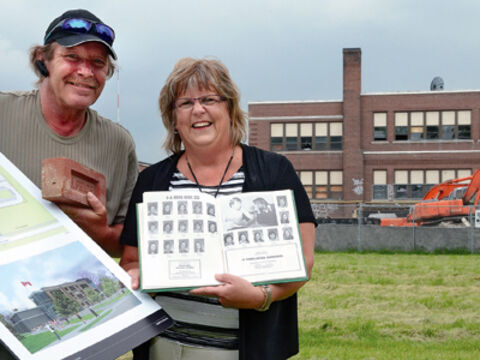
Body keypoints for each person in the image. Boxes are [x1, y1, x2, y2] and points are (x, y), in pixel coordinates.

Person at [120, 58, 315, 360]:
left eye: (209, 99)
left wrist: (260, 298)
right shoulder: (151, 181)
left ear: (230, 108)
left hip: (246, 351)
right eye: (185, 103)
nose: (198, 110)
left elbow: (303, 263)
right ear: (173, 118)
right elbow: (130, 261)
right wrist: (139, 276)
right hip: (165, 347)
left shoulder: (275, 172)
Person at [0, 9, 137, 257]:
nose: (86, 72)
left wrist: (101, 232)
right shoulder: (3, 112)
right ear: (44, 60)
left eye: (98, 63)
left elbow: (127, 244)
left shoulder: (120, 143)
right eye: (72, 57)